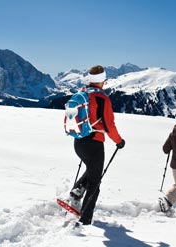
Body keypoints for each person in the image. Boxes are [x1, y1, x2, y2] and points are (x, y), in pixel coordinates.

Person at [68, 65, 125, 226]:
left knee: (92, 169)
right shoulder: (101, 98)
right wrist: (119, 141)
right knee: (95, 182)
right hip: (94, 144)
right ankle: (85, 219)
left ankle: (77, 191)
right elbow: (109, 125)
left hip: (78, 141)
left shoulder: (82, 93)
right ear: (102, 80)